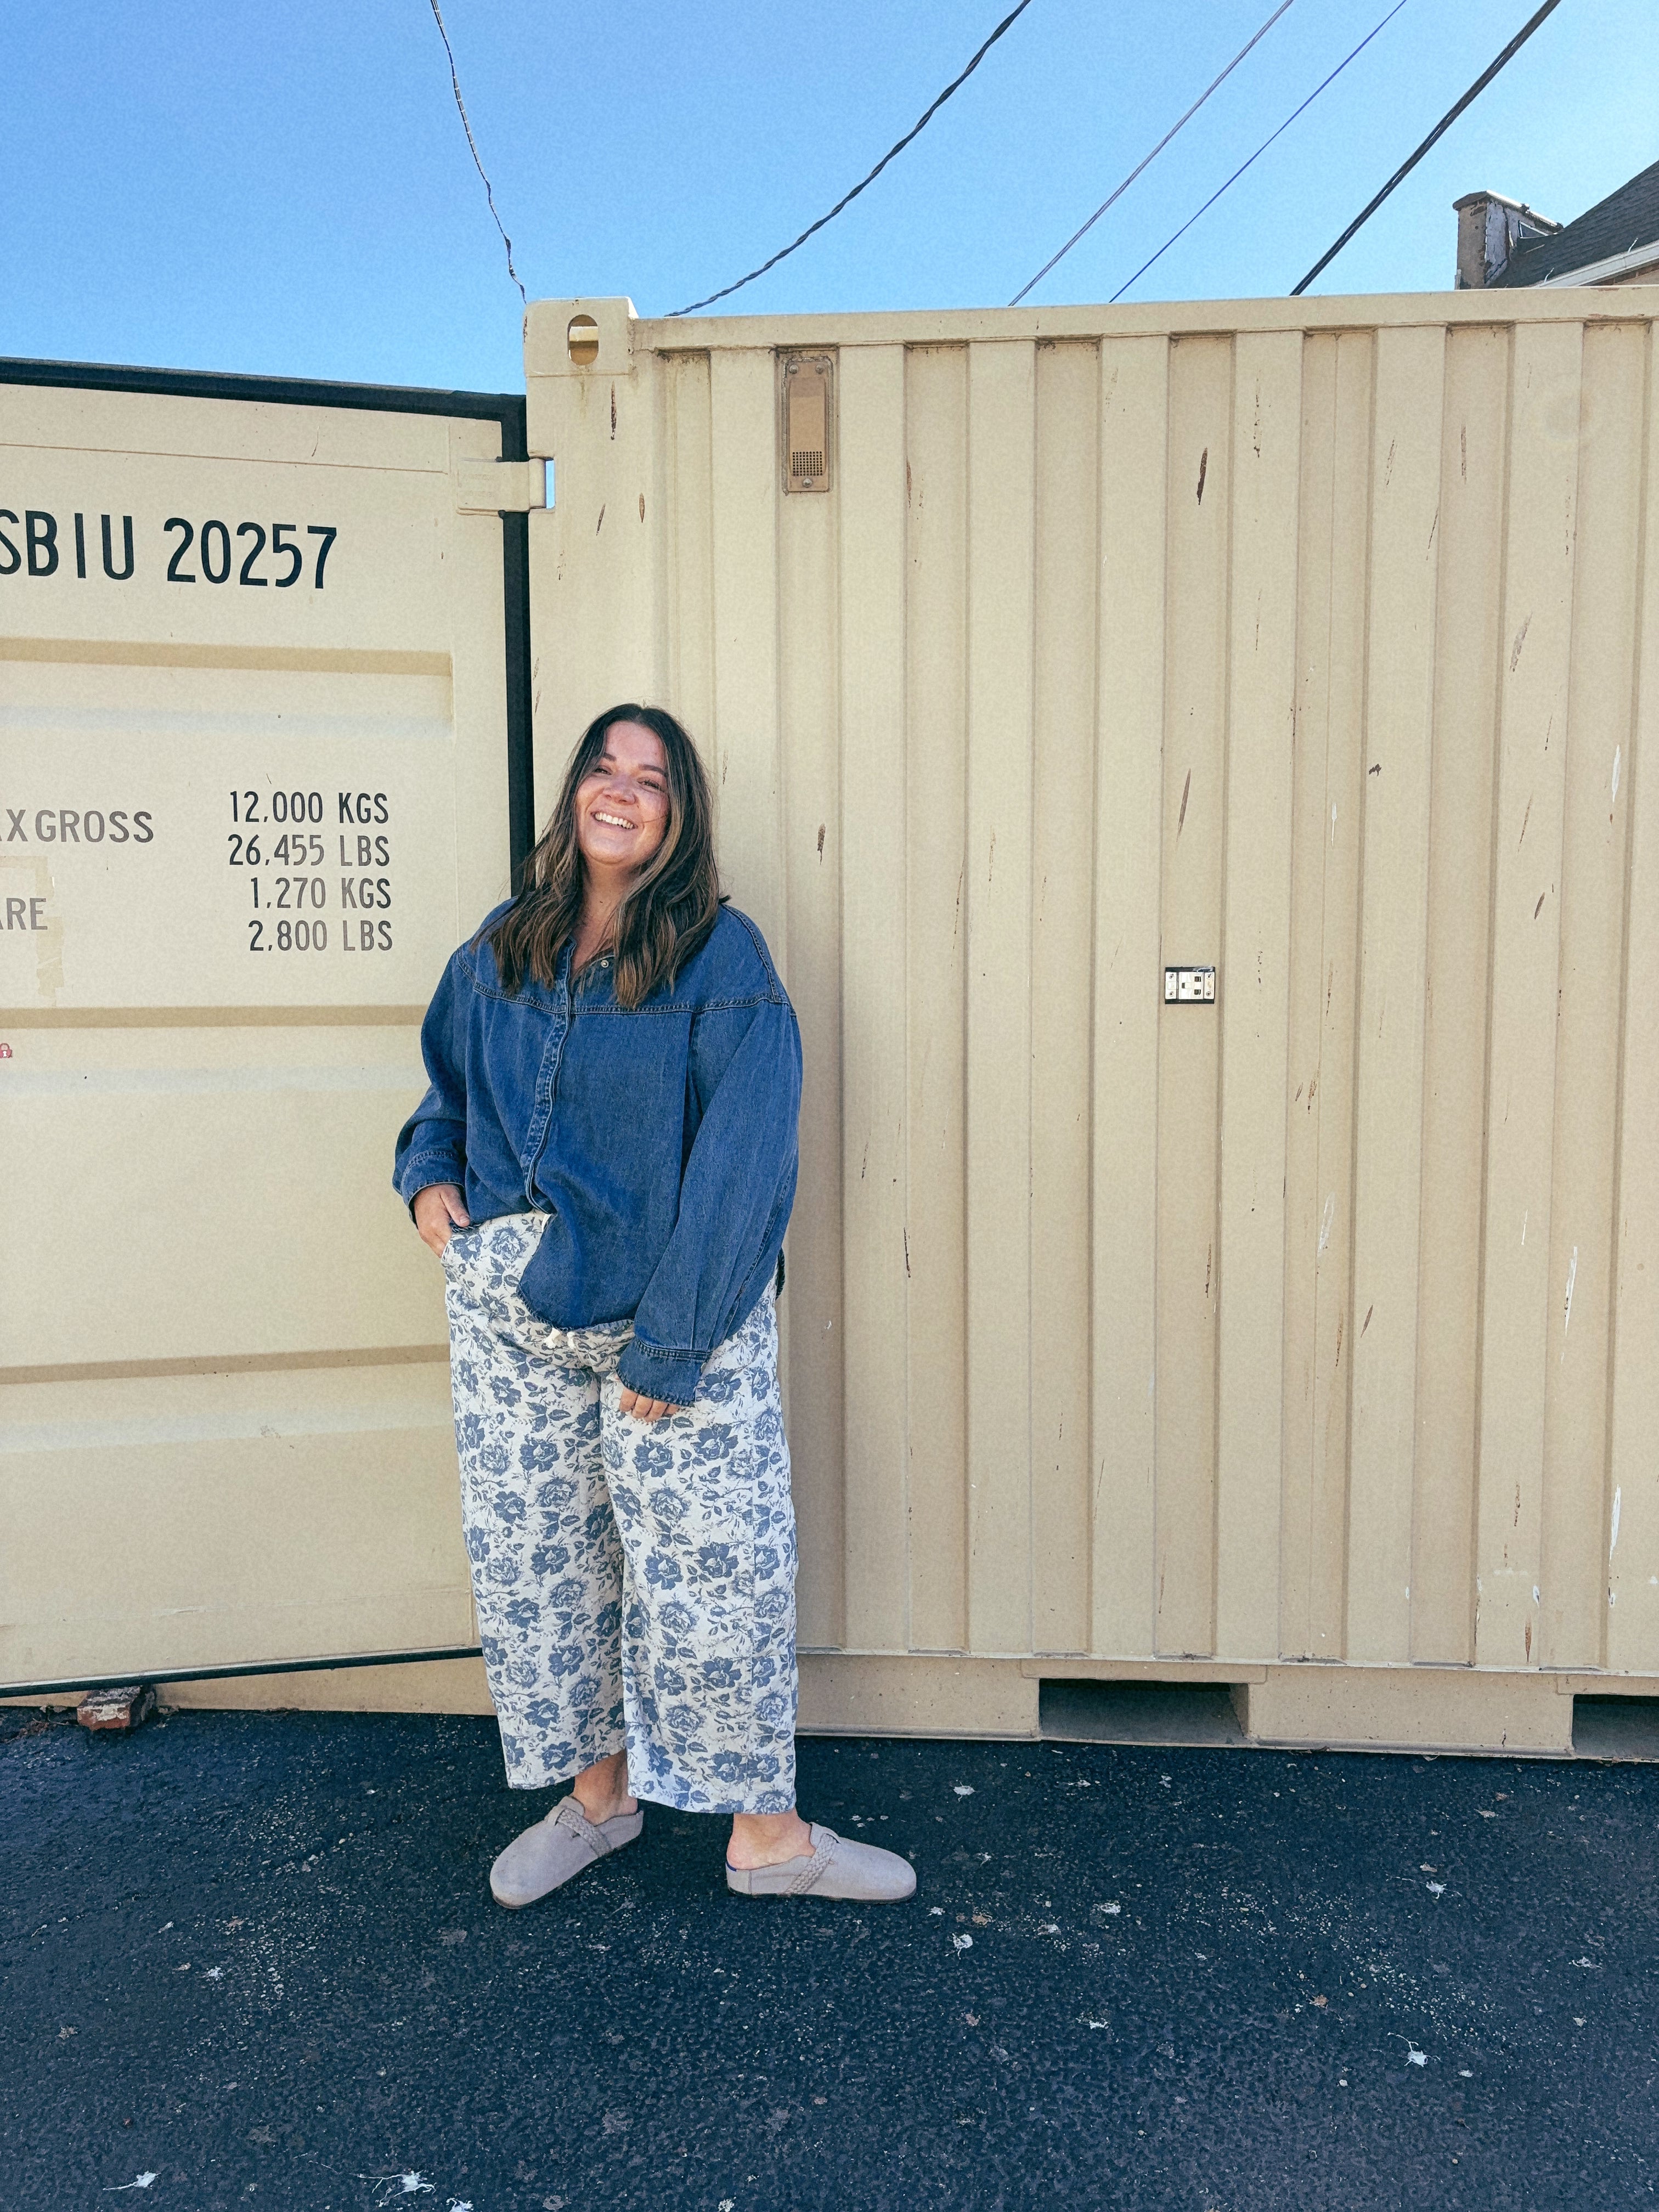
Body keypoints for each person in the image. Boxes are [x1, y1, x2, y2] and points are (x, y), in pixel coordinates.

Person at [394, 703, 915, 1909]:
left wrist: (676, 1345)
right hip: (516, 1322)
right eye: (604, 769)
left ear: (680, 817)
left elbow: (748, 1158)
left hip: (669, 1327)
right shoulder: (505, 942)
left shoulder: (719, 958)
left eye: (651, 782)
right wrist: (427, 1178)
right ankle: (598, 1799)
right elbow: (446, 1086)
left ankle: (768, 1839)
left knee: (716, 1573)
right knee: (544, 1568)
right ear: (576, 790)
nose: (620, 793)